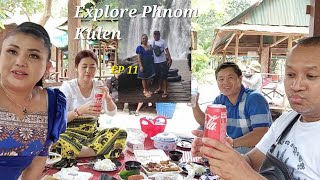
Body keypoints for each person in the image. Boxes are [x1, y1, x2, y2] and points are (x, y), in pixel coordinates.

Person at [191, 36, 320, 179]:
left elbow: (258, 138)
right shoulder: (287, 121)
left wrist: (245, 174)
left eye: (311, 75)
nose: (295, 86)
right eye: (290, 74)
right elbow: (251, 161)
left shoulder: (254, 99)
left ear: (240, 79)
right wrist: (223, 154)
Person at [0, 22, 67, 179]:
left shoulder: (52, 103)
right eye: (12, 51)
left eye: (33, 55)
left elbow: (36, 165)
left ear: (47, 66)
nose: (20, 62)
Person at [52, 50, 127, 163]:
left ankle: (77, 153)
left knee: (121, 133)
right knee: (55, 141)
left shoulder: (99, 86)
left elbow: (112, 113)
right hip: (70, 132)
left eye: (92, 67)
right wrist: (79, 111)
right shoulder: (68, 87)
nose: (88, 71)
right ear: (77, 67)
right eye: (84, 66)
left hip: (92, 133)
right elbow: (58, 119)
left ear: (96, 68)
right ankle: (96, 152)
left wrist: (107, 98)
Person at [192, 62, 272, 153]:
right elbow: (206, 123)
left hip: (257, 151)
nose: (225, 82)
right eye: (221, 79)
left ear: (240, 78)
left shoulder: (255, 99)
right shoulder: (221, 100)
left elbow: (261, 134)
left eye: (230, 78)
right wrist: (194, 104)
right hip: (234, 146)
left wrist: (230, 143)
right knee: (202, 130)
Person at [149, 30, 172, 98]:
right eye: (155, 35)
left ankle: (165, 91)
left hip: (163, 61)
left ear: (159, 35)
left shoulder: (163, 42)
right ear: (153, 35)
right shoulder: (151, 42)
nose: (156, 36)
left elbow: (167, 50)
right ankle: (160, 88)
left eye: (157, 35)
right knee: (158, 76)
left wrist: (169, 59)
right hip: (155, 62)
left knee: (164, 76)